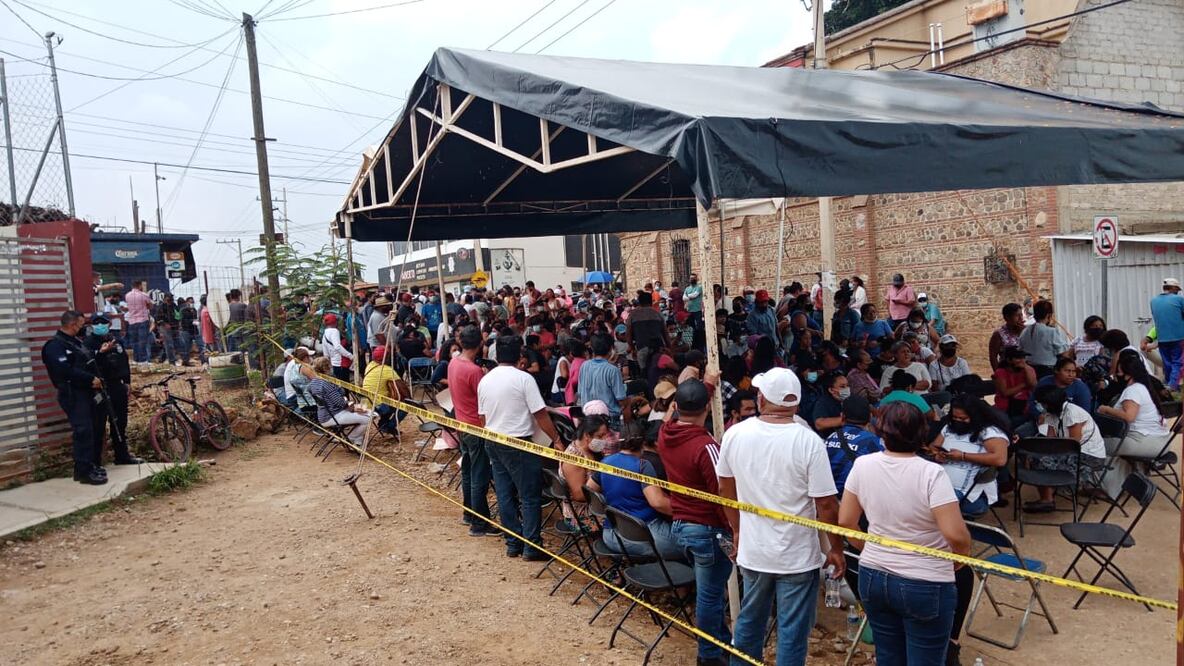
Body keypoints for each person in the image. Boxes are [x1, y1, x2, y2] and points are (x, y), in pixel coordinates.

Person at [717, 367, 845, 666]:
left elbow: (725, 489)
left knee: (749, 620)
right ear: (796, 405)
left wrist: (737, 530)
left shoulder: (735, 434)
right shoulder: (809, 441)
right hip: (797, 555)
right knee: (792, 632)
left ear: (761, 399)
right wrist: (836, 548)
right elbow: (826, 504)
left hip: (755, 550)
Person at [839, 402, 971, 666]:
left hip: (874, 575)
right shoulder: (932, 473)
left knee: (888, 656)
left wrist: (872, 550)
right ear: (922, 434)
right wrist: (962, 557)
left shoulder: (863, 465)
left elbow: (846, 522)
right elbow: (956, 535)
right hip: (925, 580)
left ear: (880, 432)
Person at [658, 379, 731, 665]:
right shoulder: (707, 446)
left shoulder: (666, 434)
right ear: (706, 410)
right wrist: (734, 531)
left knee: (708, 592)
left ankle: (721, 643)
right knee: (710, 596)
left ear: (676, 407)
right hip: (707, 530)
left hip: (682, 527)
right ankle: (709, 655)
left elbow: (668, 415)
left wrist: (707, 386)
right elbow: (721, 496)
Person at [479, 336, 562, 561]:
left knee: (505, 493)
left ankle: (513, 542)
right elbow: (540, 413)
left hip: (493, 438)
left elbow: (482, 416)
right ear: (520, 357)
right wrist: (556, 438)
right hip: (518, 441)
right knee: (529, 495)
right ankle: (532, 545)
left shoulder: (485, 380)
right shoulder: (524, 379)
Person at [589, 431, 682, 560]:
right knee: (690, 544)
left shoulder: (606, 462)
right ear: (643, 444)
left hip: (611, 536)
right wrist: (687, 511)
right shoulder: (642, 465)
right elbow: (657, 502)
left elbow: (589, 490)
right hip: (646, 538)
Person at [42, 312, 111, 485]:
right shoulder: (55, 346)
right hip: (72, 394)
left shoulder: (75, 342)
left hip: (87, 392)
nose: (82, 328)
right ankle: (83, 472)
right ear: (72, 324)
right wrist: (89, 379)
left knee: (91, 430)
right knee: (83, 431)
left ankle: (89, 466)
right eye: (80, 325)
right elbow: (64, 370)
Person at [1096, 350, 1173, 498]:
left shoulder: (1133, 391)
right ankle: (1122, 484)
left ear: (1128, 374)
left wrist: (1106, 409)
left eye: (1118, 372)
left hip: (1143, 442)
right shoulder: (1145, 387)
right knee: (1114, 448)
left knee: (1095, 446)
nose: (1116, 376)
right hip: (1160, 442)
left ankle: (1106, 488)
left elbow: (1129, 417)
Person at [446, 326, 497, 536]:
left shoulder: (453, 362)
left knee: (468, 471)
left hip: (462, 424)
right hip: (475, 427)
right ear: (480, 345)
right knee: (479, 475)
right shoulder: (474, 371)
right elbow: (484, 399)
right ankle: (480, 522)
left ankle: (469, 513)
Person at [1025, 385, 1107, 513]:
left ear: (1048, 403)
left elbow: (1074, 443)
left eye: (1040, 403)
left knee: (1044, 461)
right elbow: (1050, 439)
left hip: (1088, 455)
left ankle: (1048, 498)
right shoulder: (1051, 414)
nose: (1039, 406)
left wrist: (1050, 454)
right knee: (1034, 458)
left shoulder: (1073, 413)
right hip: (1068, 451)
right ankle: (1047, 497)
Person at [928, 395, 1009, 518]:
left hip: (968, 495)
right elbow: (933, 447)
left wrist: (963, 456)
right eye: (955, 417)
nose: (958, 421)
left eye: (963, 418)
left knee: (927, 504)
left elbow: (1000, 459)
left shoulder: (989, 432)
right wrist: (937, 455)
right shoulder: (949, 428)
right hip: (942, 486)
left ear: (975, 416)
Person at [83, 314, 143, 471]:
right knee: (98, 425)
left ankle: (122, 455)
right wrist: (100, 353)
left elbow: (124, 361)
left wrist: (127, 382)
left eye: (103, 323)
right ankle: (95, 462)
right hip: (100, 387)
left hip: (117, 385)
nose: (100, 325)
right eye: (97, 323)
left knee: (120, 422)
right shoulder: (88, 343)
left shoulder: (115, 341)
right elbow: (87, 364)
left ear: (109, 324)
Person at [824, 395, 883, 496]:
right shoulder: (873, 442)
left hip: (830, 498)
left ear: (842, 416)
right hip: (855, 501)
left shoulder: (830, 438)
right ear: (870, 416)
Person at [308, 356, 373, 445]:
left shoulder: (313, 382)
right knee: (369, 417)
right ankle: (350, 438)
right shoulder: (326, 384)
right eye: (330, 366)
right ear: (326, 368)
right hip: (333, 415)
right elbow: (340, 403)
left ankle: (358, 441)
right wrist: (352, 406)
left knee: (366, 412)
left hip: (324, 414)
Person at [577, 333, 628, 429]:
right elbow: (621, 400)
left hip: (588, 419)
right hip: (609, 420)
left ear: (592, 348)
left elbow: (580, 393)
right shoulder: (612, 370)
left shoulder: (584, 366)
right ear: (611, 349)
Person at [1018, 300, 1071, 377]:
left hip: (1028, 371)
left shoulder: (1025, 331)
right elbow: (1064, 353)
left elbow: (1020, 349)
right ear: (1048, 315)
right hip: (1046, 372)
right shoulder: (1051, 332)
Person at [1150, 277, 1184, 391]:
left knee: (1167, 363)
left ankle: (1169, 384)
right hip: (1178, 337)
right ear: (1173, 288)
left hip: (1162, 339)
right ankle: (1173, 386)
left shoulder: (1153, 301)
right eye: (1177, 289)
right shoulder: (1179, 300)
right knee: (1177, 362)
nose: (1178, 291)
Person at [1026, 357, 1092, 416]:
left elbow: (1084, 413)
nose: (1071, 375)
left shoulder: (1081, 388)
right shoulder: (1044, 382)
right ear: (1056, 370)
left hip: (1070, 423)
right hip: (1042, 419)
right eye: (1067, 371)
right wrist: (1041, 415)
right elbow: (1032, 402)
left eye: (1074, 371)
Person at [993, 347, 1036, 426]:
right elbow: (1005, 392)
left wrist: (1026, 368)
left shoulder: (1028, 370)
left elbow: (1033, 386)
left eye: (1023, 358)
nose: (1022, 361)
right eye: (1018, 358)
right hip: (1005, 408)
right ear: (1009, 360)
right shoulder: (1001, 372)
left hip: (1024, 407)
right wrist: (1023, 385)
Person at [809, 371, 849, 438]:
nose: (846, 389)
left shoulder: (851, 400)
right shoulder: (823, 402)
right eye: (842, 386)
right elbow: (819, 424)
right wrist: (847, 420)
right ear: (831, 390)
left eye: (847, 385)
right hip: (831, 440)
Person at [987, 303, 1025, 371]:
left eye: (1021, 315)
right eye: (1017, 315)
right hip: (1007, 372)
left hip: (1025, 372)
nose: (1021, 318)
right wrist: (998, 373)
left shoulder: (1026, 331)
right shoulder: (999, 334)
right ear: (1007, 317)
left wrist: (1023, 332)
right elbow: (993, 357)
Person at [124, 280, 153, 367]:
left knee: (134, 342)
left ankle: (136, 360)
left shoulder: (127, 295)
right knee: (142, 341)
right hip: (142, 320)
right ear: (140, 286)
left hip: (132, 320)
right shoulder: (143, 295)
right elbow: (150, 305)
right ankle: (143, 360)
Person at [320, 313, 354, 383]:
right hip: (341, 362)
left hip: (334, 363)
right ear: (335, 322)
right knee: (345, 383)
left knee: (340, 384)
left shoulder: (325, 333)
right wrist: (350, 356)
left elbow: (325, 351)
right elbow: (337, 347)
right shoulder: (334, 331)